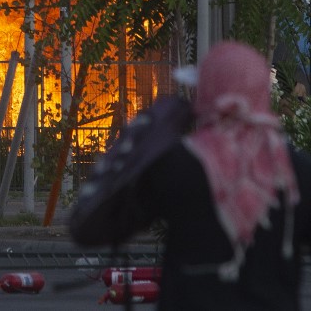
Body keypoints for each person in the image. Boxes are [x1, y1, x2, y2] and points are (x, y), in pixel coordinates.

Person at [71, 40, 311, 309]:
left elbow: (90, 228)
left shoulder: (178, 165)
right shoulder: (295, 171)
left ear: (205, 94)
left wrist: (140, 141)